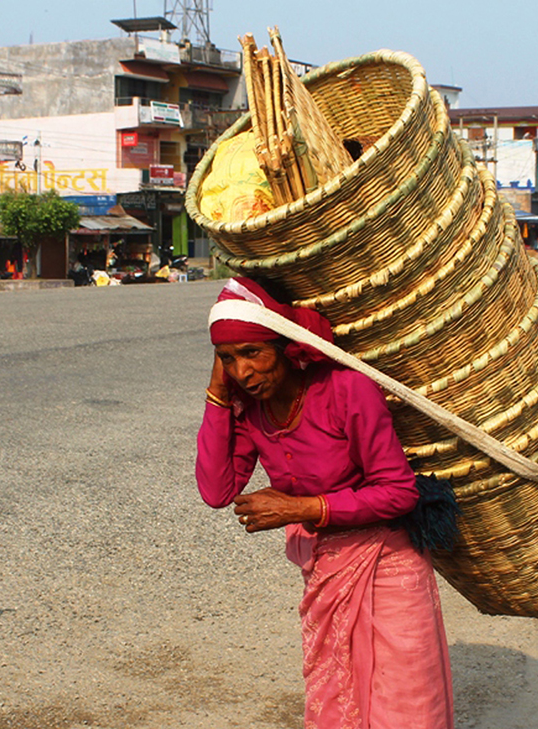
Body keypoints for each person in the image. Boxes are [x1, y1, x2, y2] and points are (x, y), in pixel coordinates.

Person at [196, 277, 455, 728]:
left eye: (252, 353)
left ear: (286, 346)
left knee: (405, 703)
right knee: (337, 694)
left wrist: (301, 509)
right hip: (326, 567)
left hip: (389, 566)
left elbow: (398, 491)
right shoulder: (252, 408)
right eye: (227, 360)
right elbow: (216, 490)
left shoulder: (346, 389)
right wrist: (218, 395)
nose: (243, 372)